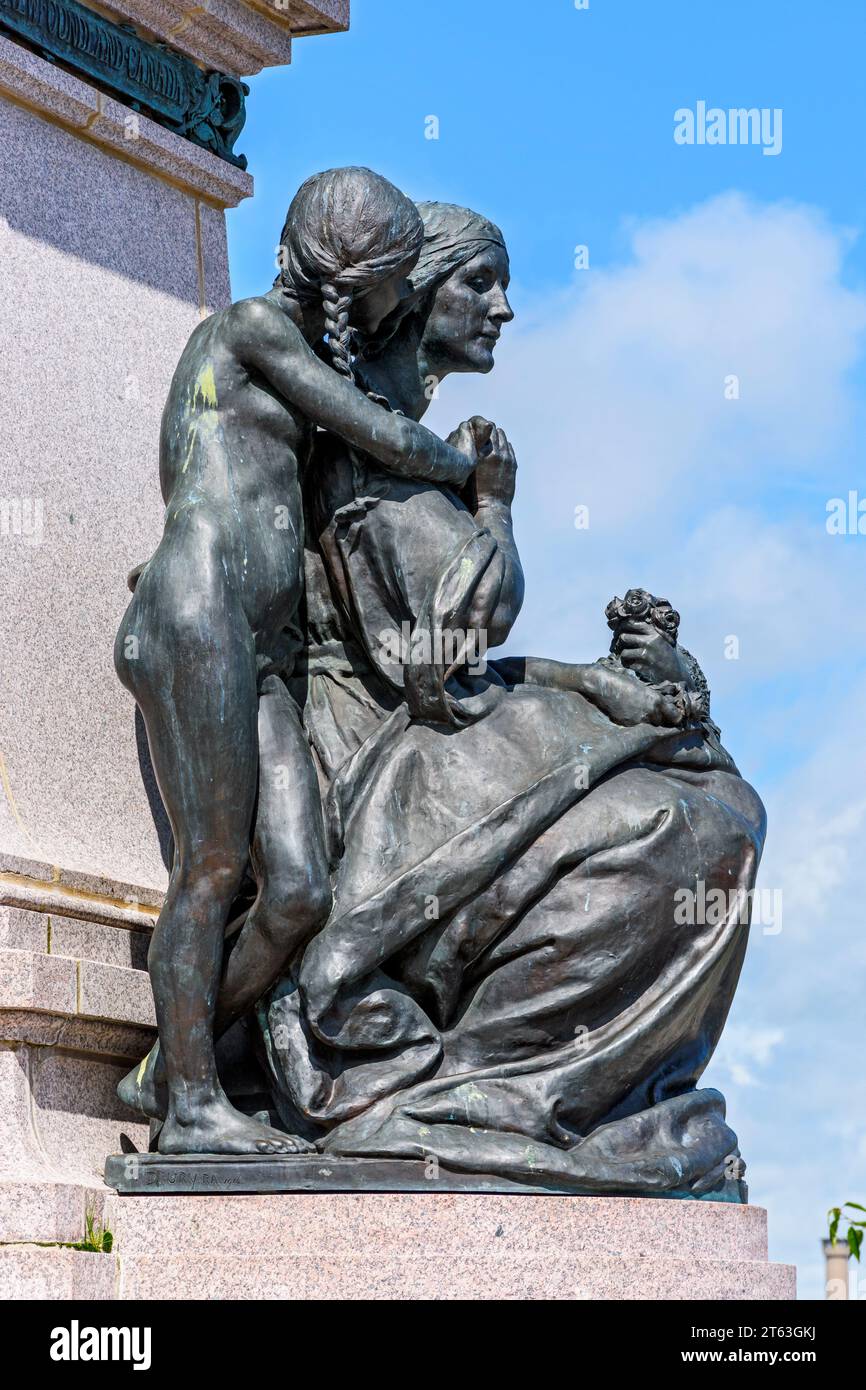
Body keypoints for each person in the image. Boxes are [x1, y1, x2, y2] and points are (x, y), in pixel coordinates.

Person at [261, 203, 765, 1197]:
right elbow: (443, 662)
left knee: (714, 807)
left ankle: (548, 1087)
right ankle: (483, 1086)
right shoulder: (375, 446)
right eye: (477, 283)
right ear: (407, 298)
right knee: (678, 824)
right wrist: (493, 503)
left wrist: (604, 682)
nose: (503, 307)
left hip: (432, 731)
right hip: (382, 760)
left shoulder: (415, 443)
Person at [114, 172, 486, 1155]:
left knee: (297, 892)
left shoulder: (291, 357)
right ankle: (193, 1105)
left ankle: (173, 1062)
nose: (396, 299)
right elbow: (381, 432)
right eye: (391, 279)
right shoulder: (249, 328)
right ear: (349, 270)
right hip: (198, 614)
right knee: (212, 864)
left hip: (261, 644)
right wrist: (473, 475)